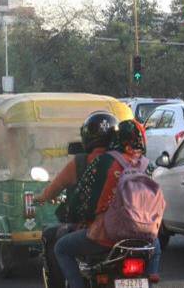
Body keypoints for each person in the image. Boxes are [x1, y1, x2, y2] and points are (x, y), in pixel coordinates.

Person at [54, 119, 162, 288]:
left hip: (107, 236)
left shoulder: (104, 162)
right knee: (156, 247)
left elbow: (82, 200)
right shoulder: (149, 167)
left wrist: (70, 214)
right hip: (145, 237)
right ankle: (152, 276)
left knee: (61, 248)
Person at [35, 111, 119, 288]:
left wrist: (40, 197)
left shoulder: (81, 162)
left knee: (55, 242)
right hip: (130, 231)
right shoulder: (125, 161)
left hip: (95, 232)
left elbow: (53, 190)